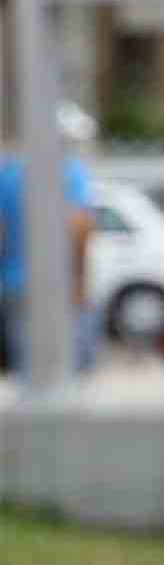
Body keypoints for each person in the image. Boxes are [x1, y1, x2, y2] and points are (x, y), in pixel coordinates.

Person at [0, 111, 97, 378]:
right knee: (66, 366)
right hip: (58, 283)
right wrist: (80, 281)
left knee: (25, 365)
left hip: (13, 282)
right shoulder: (70, 172)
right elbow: (79, 226)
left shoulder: (7, 172)